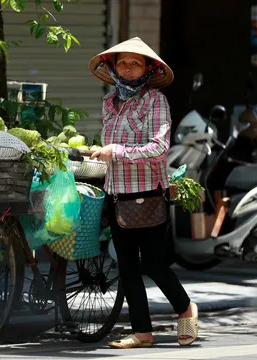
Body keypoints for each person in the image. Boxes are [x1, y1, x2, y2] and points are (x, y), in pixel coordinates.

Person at [88, 37, 199, 348]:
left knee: (153, 265)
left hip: (148, 195)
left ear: (149, 69)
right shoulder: (109, 102)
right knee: (126, 269)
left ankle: (186, 309)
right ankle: (142, 333)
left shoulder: (156, 102)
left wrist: (117, 151)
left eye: (135, 63)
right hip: (116, 195)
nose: (127, 67)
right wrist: (99, 154)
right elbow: (110, 147)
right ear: (113, 66)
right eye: (122, 62)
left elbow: (160, 148)